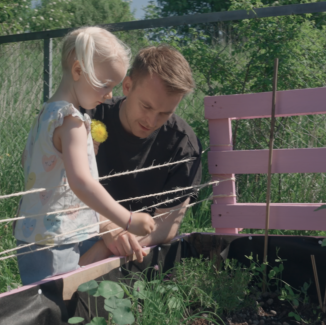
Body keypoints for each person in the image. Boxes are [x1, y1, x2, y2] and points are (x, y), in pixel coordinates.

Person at [14, 26, 155, 285]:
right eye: (105, 84)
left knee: (39, 304)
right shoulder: (72, 121)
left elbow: (27, 161)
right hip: (59, 237)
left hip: (31, 234)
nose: (110, 94)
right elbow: (81, 182)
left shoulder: (45, 115)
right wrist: (128, 219)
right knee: (61, 304)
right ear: (78, 71)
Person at [79, 45, 202, 264]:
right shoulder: (87, 117)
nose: (151, 121)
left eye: (165, 113)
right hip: (78, 228)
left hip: (137, 245)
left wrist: (111, 244)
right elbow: (54, 180)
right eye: (146, 106)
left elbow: (166, 226)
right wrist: (107, 228)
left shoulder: (183, 144)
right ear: (127, 86)